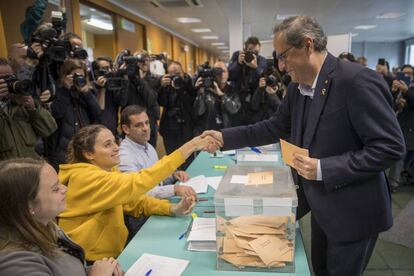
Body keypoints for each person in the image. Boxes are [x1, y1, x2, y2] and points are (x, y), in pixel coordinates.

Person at [202, 16, 405, 276]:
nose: (282, 66)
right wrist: (224, 138)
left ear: (307, 45)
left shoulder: (356, 81)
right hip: (321, 205)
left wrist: (323, 168)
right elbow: (273, 127)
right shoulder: (298, 88)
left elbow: (390, 147)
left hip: (354, 211)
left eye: (284, 57)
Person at [58, 124, 217, 261]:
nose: (116, 147)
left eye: (115, 141)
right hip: (90, 261)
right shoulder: (85, 178)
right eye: (107, 144)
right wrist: (187, 149)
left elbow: (133, 201)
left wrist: (172, 209)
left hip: (110, 255)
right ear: (88, 154)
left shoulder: (107, 171)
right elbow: (140, 181)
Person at [0, 158, 123, 276]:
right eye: (55, 189)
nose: (65, 189)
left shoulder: (45, 224)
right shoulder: (16, 265)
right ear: (29, 206)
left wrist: (95, 270)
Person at [119, 105, 195, 199]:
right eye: (139, 125)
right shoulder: (124, 157)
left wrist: (173, 175)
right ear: (126, 129)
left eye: (147, 123)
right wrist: (174, 189)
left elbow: (156, 179)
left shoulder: (149, 147)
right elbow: (139, 192)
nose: (145, 128)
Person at [47, 59, 101, 170]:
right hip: (63, 151)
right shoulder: (57, 92)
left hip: (85, 148)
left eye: (81, 76)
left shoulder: (88, 93)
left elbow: (97, 115)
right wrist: (66, 90)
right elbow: (57, 114)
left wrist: (86, 93)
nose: (77, 78)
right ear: (65, 76)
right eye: (73, 76)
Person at [0, 58, 57, 160]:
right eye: (2, 79)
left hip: (31, 167)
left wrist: (32, 107)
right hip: (5, 172)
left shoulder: (20, 102)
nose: (7, 82)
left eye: (10, 77)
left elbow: (49, 129)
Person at [158, 61, 196, 168]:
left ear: (184, 73)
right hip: (169, 128)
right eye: (172, 74)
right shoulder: (166, 87)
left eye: (178, 73)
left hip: (186, 128)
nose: (175, 76)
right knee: (172, 157)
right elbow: (162, 102)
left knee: (188, 157)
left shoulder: (189, 86)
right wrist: (164, 87)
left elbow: (190, 104)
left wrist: (182, 88)